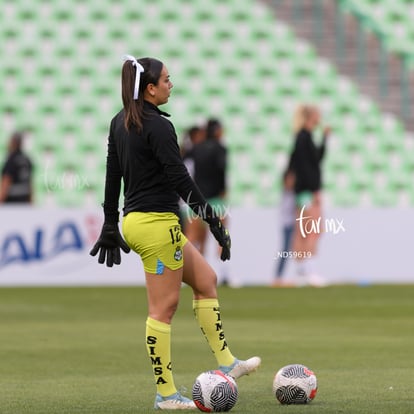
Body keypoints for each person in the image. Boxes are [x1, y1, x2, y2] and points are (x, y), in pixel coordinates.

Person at [89, 55, 260, 410]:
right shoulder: (159, 127)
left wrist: (110, 221)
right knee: (163, 309)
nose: (171, 84)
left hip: (138, 221)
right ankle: (166, 395)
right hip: (156, 224)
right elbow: (179, 179)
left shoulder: (118, 123)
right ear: (150, 89)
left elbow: (112, 177)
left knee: (207, 280)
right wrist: (213, 220)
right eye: (166, 80)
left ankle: (227, 361)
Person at [289, 104, 330, 286]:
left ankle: (301, 270)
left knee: (304, 232)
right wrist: (314, 190)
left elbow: (316, 159)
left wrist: (325, 139)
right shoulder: (303, 138)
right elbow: (306, 169)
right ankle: (309, 270)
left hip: (303, 192)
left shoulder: (303, 137)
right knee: (312, 230)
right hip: (308, 191)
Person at [184, 119, 228, 279]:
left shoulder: (196, 148)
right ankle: (222, 274)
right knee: (222, 237)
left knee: (192, 239)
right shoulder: (221, 148)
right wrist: (223, 191)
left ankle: (188, 274)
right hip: (216, 199)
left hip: (196, 199)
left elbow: (184, 163)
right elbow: (222, 171)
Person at [272, 168, 296, 286]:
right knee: (285, 250)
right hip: (288, 225)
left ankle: (295, 275)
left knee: (293, 250)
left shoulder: (292, 194)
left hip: (292, 224)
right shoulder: (287, 194)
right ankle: (278, 276)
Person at [0, 131, 33, 204]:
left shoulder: (11, 160)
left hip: (12, 202)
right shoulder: (27, 159)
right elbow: (30, 184)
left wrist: (1, 200)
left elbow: (6, 181)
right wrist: (31, 202)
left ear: (13, 142)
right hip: (25, 201)